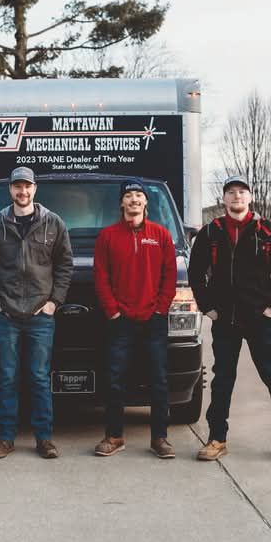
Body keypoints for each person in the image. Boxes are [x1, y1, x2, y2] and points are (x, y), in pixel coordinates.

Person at [187, 176, 271, 463]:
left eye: (241, 192)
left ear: (250, 198)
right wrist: (207, 307)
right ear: (223, 199)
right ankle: (216, 439)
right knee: (222, 380)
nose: (236, 197)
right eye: (230, 192)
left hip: (259, 320)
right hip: (225, 320)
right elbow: (195, 273)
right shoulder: (211, 233)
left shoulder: (267, 231)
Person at [0, 167, 73, 459]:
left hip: (41, 316)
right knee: (7, 377)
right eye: (17, 187)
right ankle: (6, 439)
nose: (23, 192)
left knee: (39, 377)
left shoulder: (53, 223)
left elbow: (65, 266)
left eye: (27, 186)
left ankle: (44, 439)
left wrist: (55, 301)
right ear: (10, 190)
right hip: (6, 315)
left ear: (34, 189)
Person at [92, 179, 177, 458]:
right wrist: (113, 311)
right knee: (115, 379)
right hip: (120, 320)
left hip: (153, 319)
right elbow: (101, 277)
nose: (134, 200)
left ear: (146, 202)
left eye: (139, 195)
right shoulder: (107, 236)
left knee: (159, 380)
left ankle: (160, 438)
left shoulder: (161, 235)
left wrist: (161, 309)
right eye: (129, 196)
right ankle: (114, 436)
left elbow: (169, 277)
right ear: (121, 203)